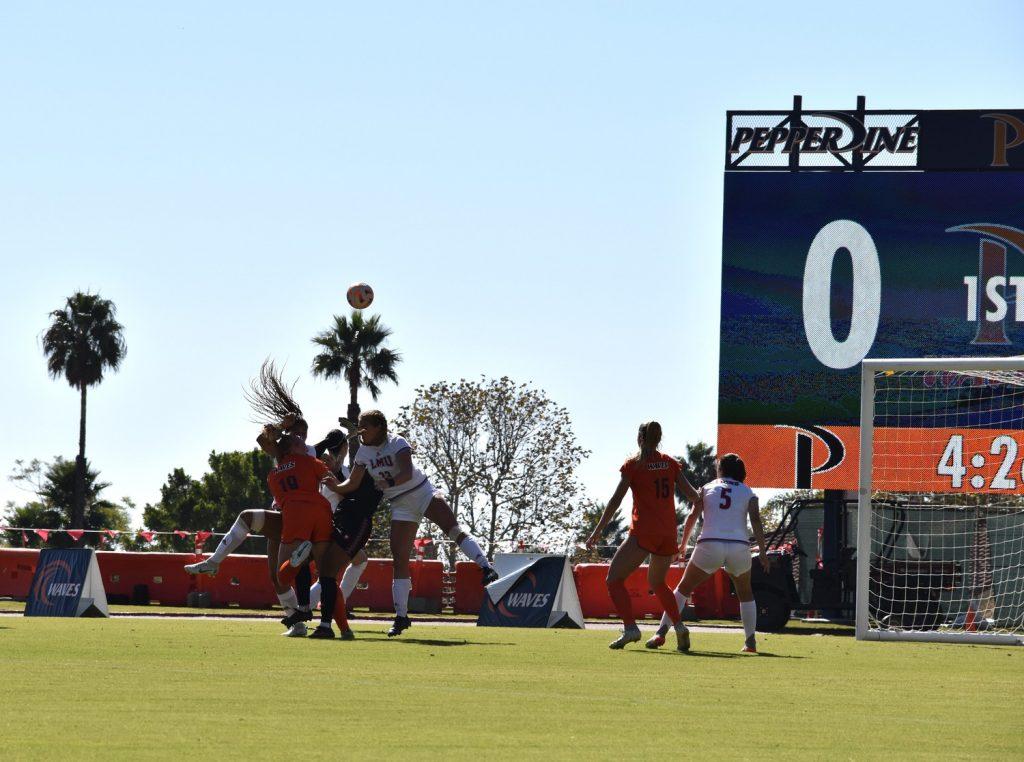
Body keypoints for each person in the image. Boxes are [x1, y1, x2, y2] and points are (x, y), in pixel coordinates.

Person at [325, 410, 498, 637]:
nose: (360, 430)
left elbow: (406, 473)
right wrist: (335, 486)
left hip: (422, 492)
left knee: (452, 529)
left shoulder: (397, 441)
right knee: (400, 558)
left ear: (379, 427)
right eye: (358, 425)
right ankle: (401, 617)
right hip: (400, 504)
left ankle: (485, 567)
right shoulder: (364, 451)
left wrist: (387, 482)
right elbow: (353, 482)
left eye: (364, 425)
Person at [585, 421, 701, 650]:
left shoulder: (634, 465)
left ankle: (630, 628)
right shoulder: (670, 463)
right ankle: (679, 627)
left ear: (639, 438)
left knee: (614, 579)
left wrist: (597, 532)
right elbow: (693, 496)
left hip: (643, 533)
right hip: (667, 533)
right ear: (659, 439)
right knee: (657, 583)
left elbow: (615, 501)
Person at [646, 453, 770, 654]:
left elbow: (692, 516)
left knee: (683, 589)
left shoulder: (707, 487)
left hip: (710, 544)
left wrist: (683, 545)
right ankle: (750, 643)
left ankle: (661, 632)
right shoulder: (748, 491)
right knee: (745, 594)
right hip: (739, 546)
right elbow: (755, 520)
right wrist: (763, 552)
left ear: (721, 469)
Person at [278, 428, 382, 640]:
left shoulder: (354, 465)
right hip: (333, 523)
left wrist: (333, 467)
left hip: (346, 523)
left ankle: (313, 613)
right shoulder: (322, 465)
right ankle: (333, 624)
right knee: (327, 574)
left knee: (322, 573)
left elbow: (350, 486)